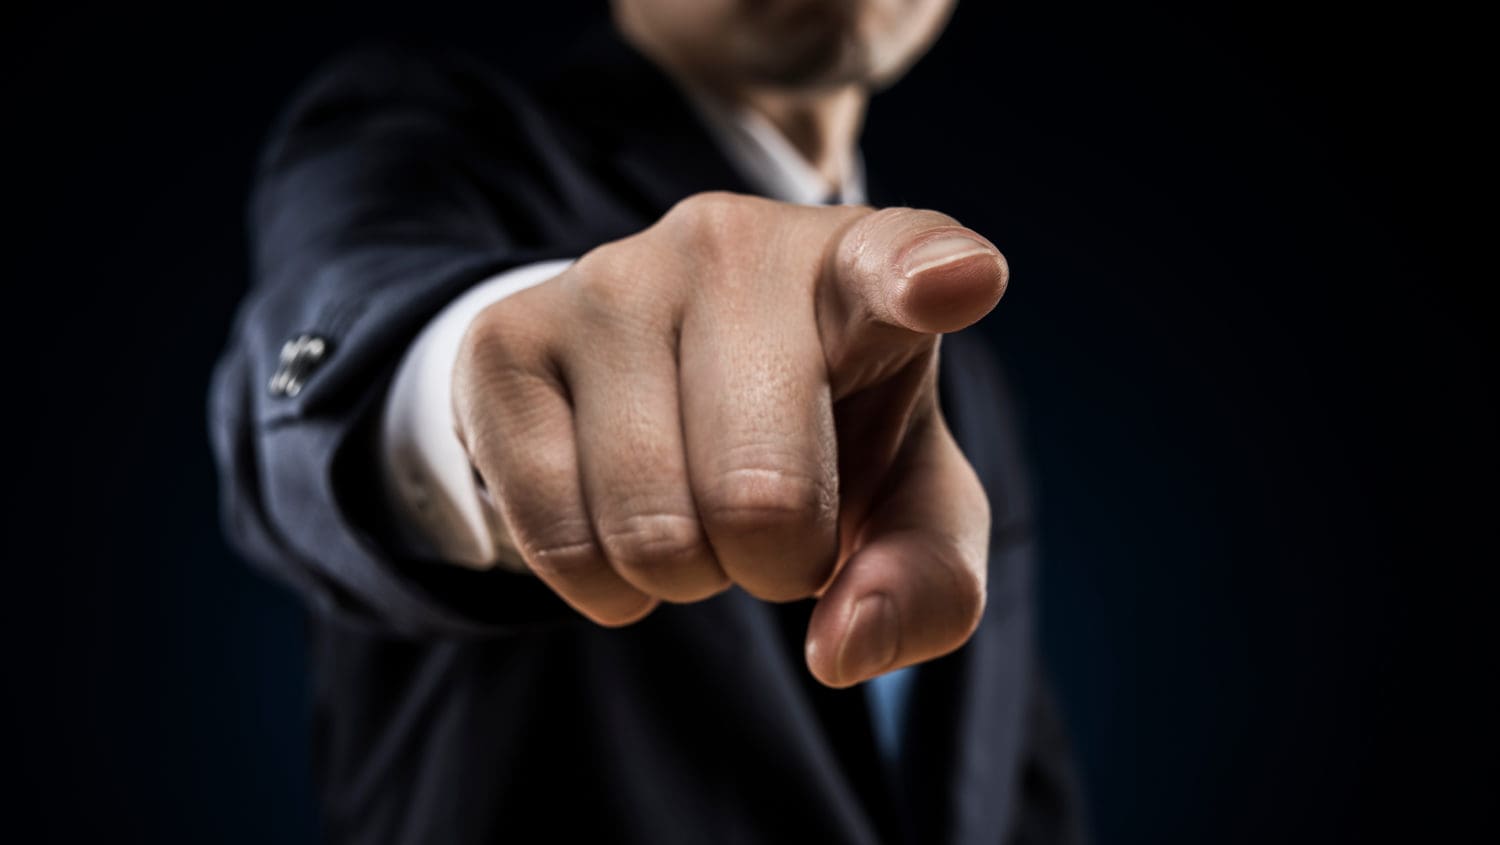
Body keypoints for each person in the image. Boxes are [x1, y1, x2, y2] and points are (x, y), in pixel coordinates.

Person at [209, 1, 1085, 841]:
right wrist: (482, 383)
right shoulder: (431, 141)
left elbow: (1002, 777)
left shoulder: (954, 357)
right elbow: (324, 357)